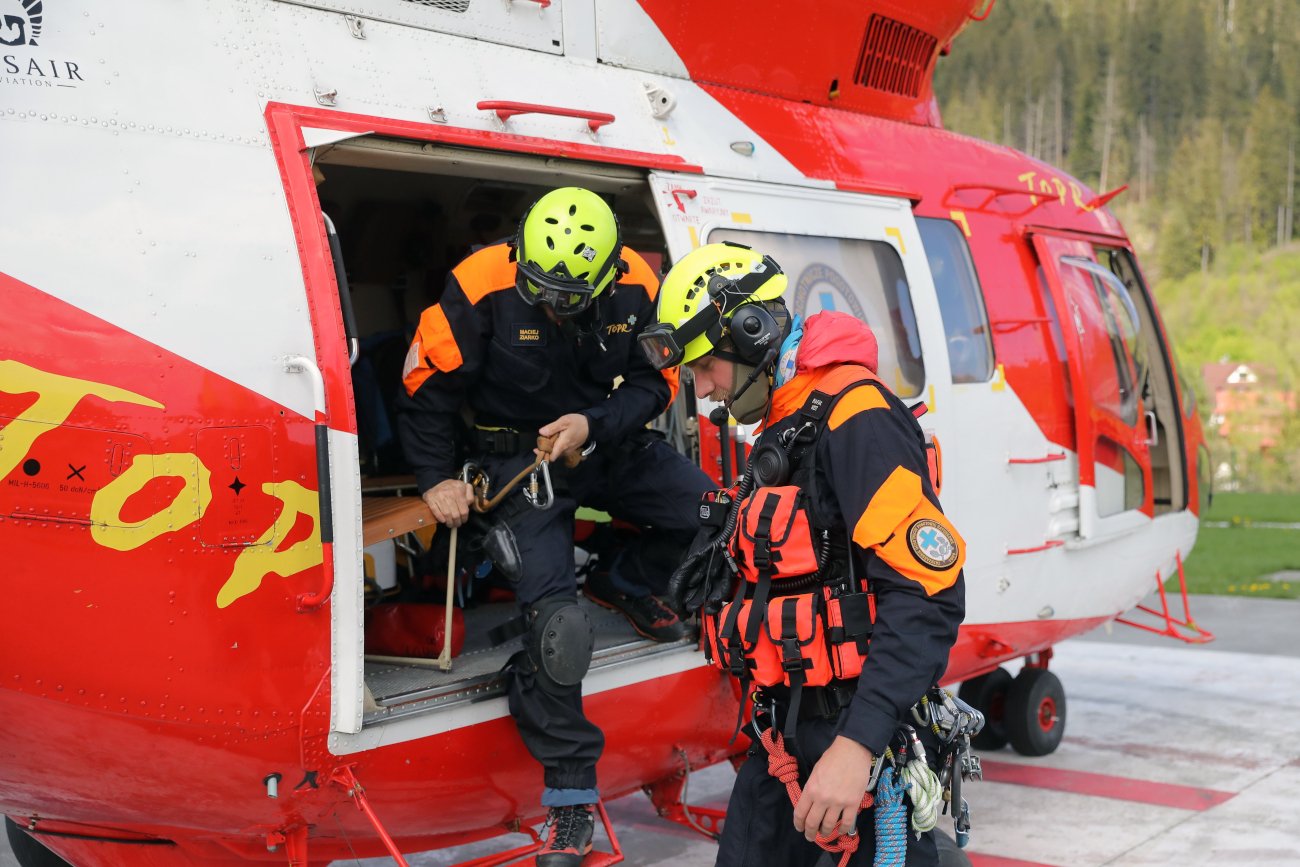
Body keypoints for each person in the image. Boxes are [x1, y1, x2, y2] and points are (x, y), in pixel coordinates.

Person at [397, 187, 714, 866]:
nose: (547, 304)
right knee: (558, 631)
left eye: (565, 298)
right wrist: (436, 480)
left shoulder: (637, 283)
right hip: (514, 460)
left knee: (716, 521)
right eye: (536, 288)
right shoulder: (479, 284)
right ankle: (570, 806)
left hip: (600, 442)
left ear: (603, 278)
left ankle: (622, 578)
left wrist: (592, 425)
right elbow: (424, 393)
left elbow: (655, 384)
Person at [638, 242, 966, 866]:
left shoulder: (858, 419)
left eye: (706, 368)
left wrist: (857, 747)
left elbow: (929, 595)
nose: (704, 392)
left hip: (859, 739)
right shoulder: (789, 423)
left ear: (751, 333)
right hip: (782, 735)